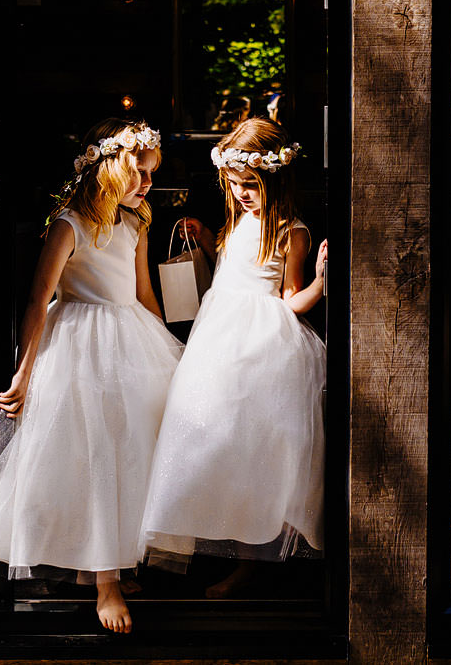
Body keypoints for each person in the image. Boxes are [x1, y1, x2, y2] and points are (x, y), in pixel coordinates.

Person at [0, 119, 182, 633]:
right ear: (110, 168)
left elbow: (143, 294)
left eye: (152, 174)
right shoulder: (68, 223)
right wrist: (24, 374)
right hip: (79, 344)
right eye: (139, 172)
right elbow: (37, 301)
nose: (147, 183)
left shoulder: (137, 224)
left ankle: (115, 560)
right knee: (91, 455)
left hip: (130, 338)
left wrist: (173, 353)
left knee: (132, 448)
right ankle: (104, 581)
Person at [140, 117, 327, 597]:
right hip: (218, 343)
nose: (243, 193)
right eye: (237, 184)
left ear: (276, 179)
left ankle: (252, 563)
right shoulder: (242, 219)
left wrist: (320, 284)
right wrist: (205, 239)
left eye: (252, 185)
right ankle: (211, 541)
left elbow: (289, 297)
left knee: (253, 450)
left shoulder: (291, 230)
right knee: (208, 437)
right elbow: (232, 269)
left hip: (260, 346)